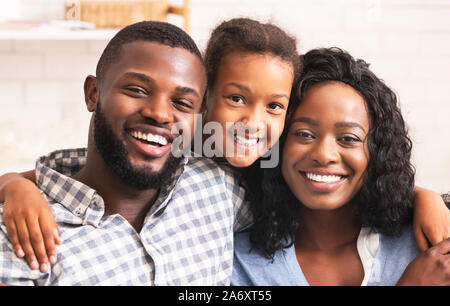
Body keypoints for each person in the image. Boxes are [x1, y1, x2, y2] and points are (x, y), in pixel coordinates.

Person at [0, 19, 449, 281]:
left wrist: (422, 197)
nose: (253, 122)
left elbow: (333, 177)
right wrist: (14, 186)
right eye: (236, 98)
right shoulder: (193, 160)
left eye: (274, 106)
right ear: (206, 99)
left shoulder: (226, 189)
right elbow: (89, 172)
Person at [0, 21, 252, 285]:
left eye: (182, 103)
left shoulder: (217, 189)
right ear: (93, 93)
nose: (160, 113)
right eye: (137, 90)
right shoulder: (18, 233)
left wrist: (11, 181)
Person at [231, 48, 450, 286]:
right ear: (277, 143)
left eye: (348, 138)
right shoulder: (237, 262)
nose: (324, 155)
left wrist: (424, 196)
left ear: (377, 152)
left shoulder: (432, 245)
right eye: (304, 134)